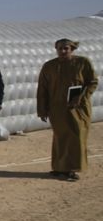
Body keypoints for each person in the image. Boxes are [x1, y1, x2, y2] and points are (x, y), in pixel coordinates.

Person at [37, 38, 98, 181]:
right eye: (60, 48)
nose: (63, 51)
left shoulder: (83, 63)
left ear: (72, 49)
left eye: (66, 48)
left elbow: (92, 82)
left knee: (77, 136)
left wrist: (82, 97)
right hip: (57, 108)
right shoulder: (49, 66)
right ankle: (59, 168)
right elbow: (42, 89)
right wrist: (42, 109)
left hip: (78, 108)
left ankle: (71, 169)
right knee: (60, 138)